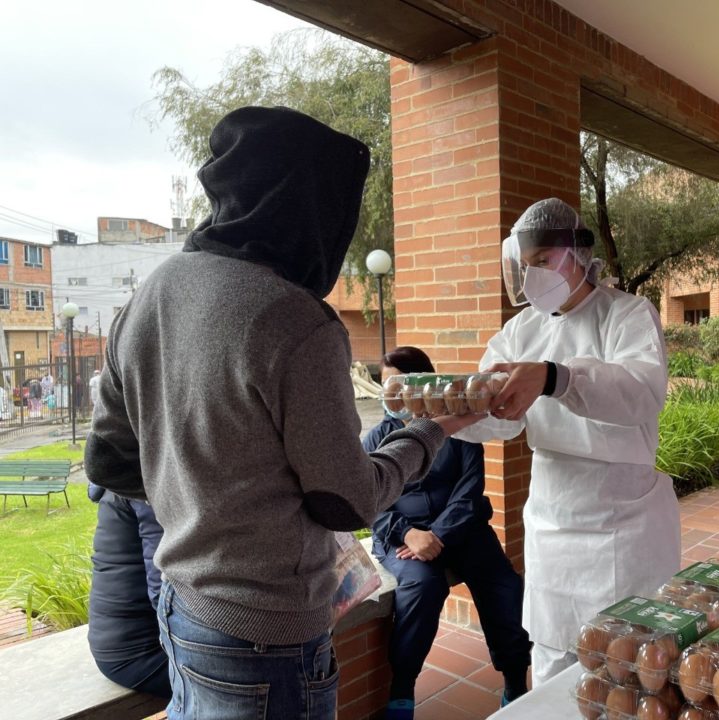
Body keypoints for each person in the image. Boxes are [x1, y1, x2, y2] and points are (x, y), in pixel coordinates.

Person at [83, 106, 481, 720]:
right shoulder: (295, 321)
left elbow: (109, 456)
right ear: (310, 207)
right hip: (265, 636)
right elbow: (345, 500)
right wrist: (433, 429)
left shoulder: (153, 294)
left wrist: (205, 506)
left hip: (182, 605)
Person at [455, 197, 681, 686]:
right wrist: (450, 410)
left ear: (579, 255)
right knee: (555, 654)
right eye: (527, 264)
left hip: (623, 519)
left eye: (544, 261)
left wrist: (556, 377)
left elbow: (641, 391)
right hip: (554, 518)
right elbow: (497, 418)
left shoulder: (626, 315)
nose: (534, 274)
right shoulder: (521, 330)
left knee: (630, 662)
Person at [364, 347, 531, 719]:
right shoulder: (378, 438)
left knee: (504, 585)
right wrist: (407, 534)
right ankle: (403, 689)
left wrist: (436, 534)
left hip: (462, 530)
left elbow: (470, 493)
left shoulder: (461, 428)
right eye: (385, 385)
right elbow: (368, 499)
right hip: (401, 539)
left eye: (397, 384)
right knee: (423, 586)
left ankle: (516, 682)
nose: (390, 395)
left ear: (421, 385)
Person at [87, 483, 171, 699]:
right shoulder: (144, 482)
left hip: (119, 640)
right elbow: (164, 592)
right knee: (254, 678)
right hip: (139, 653)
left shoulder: (120, 474)